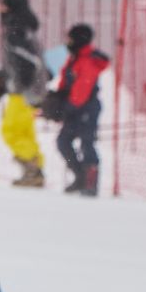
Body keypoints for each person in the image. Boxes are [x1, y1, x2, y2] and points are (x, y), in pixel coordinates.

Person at [0, 0, 49, 188]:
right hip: (33, 90)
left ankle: (32, 168)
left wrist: (14, 84)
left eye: (4, 6)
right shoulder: (27, 27)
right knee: (26, 132)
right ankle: (35, 170)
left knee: (10, 131)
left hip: (22, 92)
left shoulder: (16, 30)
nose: (1, 10)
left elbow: (26, 63)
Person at [46, 22, 110, 196]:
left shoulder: (87, 61)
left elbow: (82, 90)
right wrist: (57, 100)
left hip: (87, 108)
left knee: (87, 144)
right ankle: (79, 175)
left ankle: (90, 182)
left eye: (70, 38)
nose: (68, 42)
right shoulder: (74, 58)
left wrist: (65, 109)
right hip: (74, 108)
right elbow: (65, 82)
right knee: (63, 141)